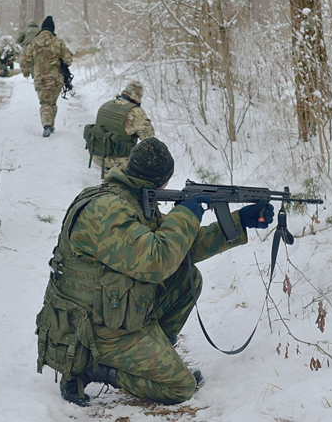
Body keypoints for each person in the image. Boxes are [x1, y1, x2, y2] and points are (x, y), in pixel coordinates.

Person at [34, 137, 275, 406]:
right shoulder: (106, 210)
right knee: (180, 387)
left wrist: (239, 221)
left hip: (112, 314)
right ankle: (97, 368)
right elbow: (156, 261)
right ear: (162, 182)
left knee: (186, 278)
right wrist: (186, 214)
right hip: (91, 331)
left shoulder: (130, 200)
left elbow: (180, 250)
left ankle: (153, 354)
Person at [84, 81, 155, 178]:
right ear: (139, 96)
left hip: (98, 156)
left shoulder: (107, 105)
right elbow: (148, 138)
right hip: (119, 161)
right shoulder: (135, 111)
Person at [19, 15, 73, 137]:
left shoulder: (34, 43)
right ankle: (50, 125)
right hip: (56, 79)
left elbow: (25, 61)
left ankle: (47, 126)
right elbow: (68, 60)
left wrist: (26, 72)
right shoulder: (58, 43)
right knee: (52, 102)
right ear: (52, 29)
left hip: (40, 79)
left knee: (45, 103)